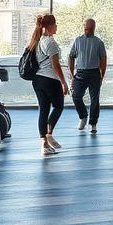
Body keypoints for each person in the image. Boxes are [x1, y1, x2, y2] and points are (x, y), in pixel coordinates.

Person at [26, 12, 68, 156]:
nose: (57, 27)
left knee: (43, 110)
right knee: (58, 106)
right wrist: (64, 82)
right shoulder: (50, 42)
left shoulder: (36, 41)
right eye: (55, 24)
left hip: (37, 80)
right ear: (50, 26)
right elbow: (55, 65)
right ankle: (49, 135)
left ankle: (44, 143)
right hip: (50, 80)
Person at [68, 18, 107, 134]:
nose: (87, 31)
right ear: (83, 27)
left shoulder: (99, 42)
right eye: (86, 28)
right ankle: (83, 116)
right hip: (80, 73)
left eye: (89, 29)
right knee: (76, 96)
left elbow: (103, 60)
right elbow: (71, 56)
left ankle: (93, 123)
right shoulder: (77, 41)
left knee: (95, 99)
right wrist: (71, 74)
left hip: (94, 73)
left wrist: (102, 76)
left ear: (94, 28)